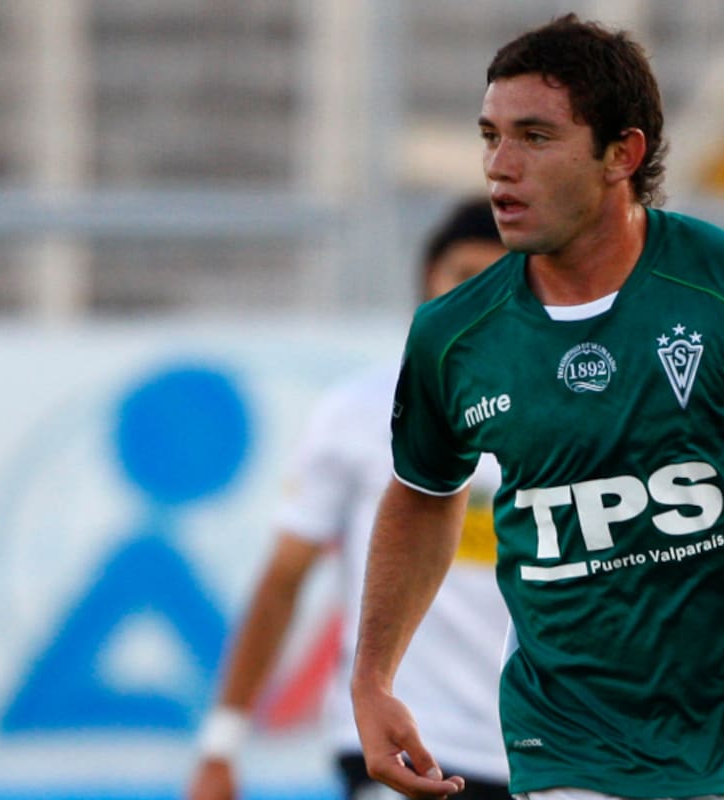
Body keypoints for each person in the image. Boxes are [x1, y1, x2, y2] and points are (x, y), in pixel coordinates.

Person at [352, 14, 724, 800]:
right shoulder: (454, 334)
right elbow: (422, 496)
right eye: (490, 136)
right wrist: (372, 679)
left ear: (623, 153)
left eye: (535, 137)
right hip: (569, 746)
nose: (499, 168)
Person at [188, 198, 512, 800]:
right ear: (427, 284)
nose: (475, 300)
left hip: (542, 748)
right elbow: (284, 578)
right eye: (463, 277)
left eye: (496, 281)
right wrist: (221, 745)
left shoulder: (567, 418)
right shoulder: (361, 411)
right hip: (405, 745)